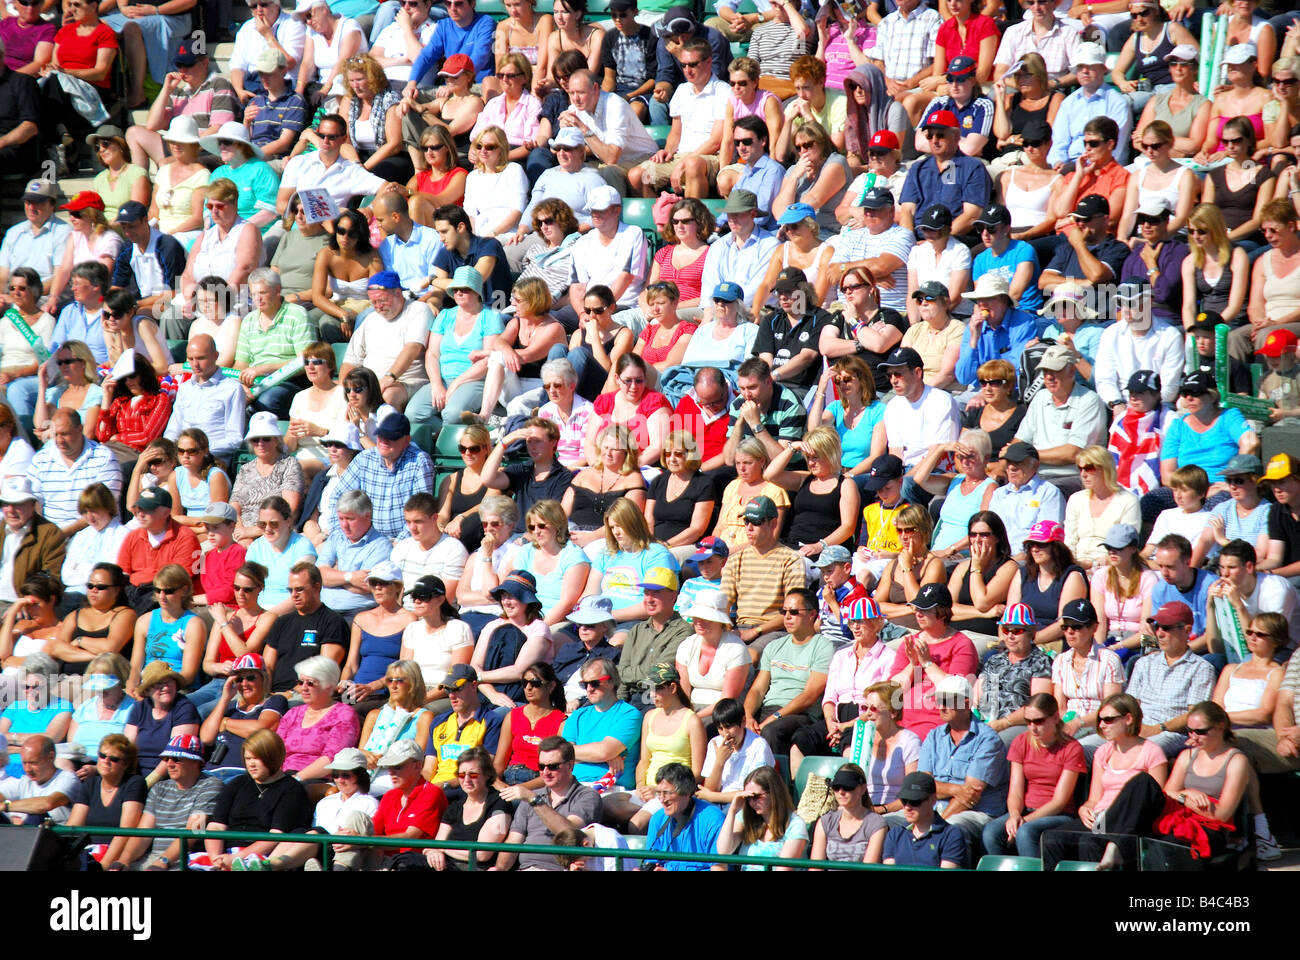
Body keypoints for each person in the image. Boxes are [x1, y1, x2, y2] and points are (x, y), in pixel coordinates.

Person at [203, 728, 312, 870]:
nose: (251, 764)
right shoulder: (238, 783)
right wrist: (216, 859)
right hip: (225, 854)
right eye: (248, 759)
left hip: (263, 856)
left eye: (256, 758)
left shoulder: (291, 789)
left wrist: (236, 859)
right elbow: (216, 825)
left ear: (272, 757)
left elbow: (276, 836)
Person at [742, 587, 832, 755]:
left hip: (798, 714)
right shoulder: (774, 646)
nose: (787, 617)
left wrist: (774, 717)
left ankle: (773, 781)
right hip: (768, 710)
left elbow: (809, 696)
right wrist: (747, 716)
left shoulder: (823, 646)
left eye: (794, 611)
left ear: (812, 614)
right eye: (784, 612)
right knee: (731, 726)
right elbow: (758, 689)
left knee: (772, 731)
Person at [118, 734, 223, 871]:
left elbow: (194, 832)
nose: (169, 764)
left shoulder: (211, 785)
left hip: (189, 860)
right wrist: (123, 861)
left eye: (176, 759)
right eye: (166, 759)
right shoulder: (159, 788)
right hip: (155, 860)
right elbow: (143, 834)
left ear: (197, 762)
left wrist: (163, 862)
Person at [497, 736, 603, 871]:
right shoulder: (532, 797)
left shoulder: (587, 796)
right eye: (541, 766)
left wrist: (534, 800)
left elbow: (569, 833)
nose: (545, 772)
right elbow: (513, 842)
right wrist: (499, 868)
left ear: (570, 766)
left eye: (552, 767)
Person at [898, 108, 990, 238]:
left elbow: (972, 215)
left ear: (956, 136)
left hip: (955, 239)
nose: (934, 140)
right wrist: (907, 242)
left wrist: (936, 240)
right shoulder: (917, 168)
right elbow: (907, 211)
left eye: (940, 135)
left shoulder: (973, 168)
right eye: (930, 136)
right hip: (918, 240)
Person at [262, 563, 348, 694]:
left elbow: (324, 670)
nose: (294, 595)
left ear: (317, 587)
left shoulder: (333, 621)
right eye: (290, 590)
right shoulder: (281, 622)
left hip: (306, 696)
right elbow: (267, 667)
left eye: (299, 589)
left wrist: (289, 694)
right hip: (274, 695)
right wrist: (264, 697)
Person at [1206, 541, 1300, 661]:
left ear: (1249, 567)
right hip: (1247, 652)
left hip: (1285, 651)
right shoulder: (1224, 591)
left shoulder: (1276, 590)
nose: (1224, 574)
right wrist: (1210, 607)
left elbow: (1265, 644)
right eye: (1222, 567)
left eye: (1232, 567)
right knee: (1212, 660)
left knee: (1248, 660)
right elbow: (1215, 649)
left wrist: (1239, 606)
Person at [1231, 200, 1300, 363]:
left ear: (1291, 227)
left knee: (1268, 336)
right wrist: (1259, 323)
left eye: (1273, 230)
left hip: (1294, 322)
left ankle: (1268, 385)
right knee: (1235, 338)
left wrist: (1276, 323)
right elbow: (1255, 304)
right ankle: (1235, 388)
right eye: (1264, 230)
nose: (1268, 235)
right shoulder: (1262, 261)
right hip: (1268, 323)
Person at [976, 605, 1055, 747]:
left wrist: (1003, 723)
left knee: (991, 744)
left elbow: (1038, 705)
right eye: (1006, 630)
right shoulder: (995, 660)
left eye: (1017, 630)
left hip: (1019, 725)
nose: (1010, 636)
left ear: (1031, 633)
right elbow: (977, 696)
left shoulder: (1041, 662)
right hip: (987, 722)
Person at [163, 335, 246, 460]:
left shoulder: (232, 388)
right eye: (190, 359)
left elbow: (235, 438)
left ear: (216, 356)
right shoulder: (185, 388)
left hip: (212, 459)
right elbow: (173, 429)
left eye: (201, 358)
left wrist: (200, 451)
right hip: (182, 457)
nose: (195, 364)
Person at [716, 764, 807, 868]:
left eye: (756, 797)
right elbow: (722, 852)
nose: (752, 802)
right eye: (748, 798)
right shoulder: (746, 817)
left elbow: (784, 868)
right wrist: (732, 811)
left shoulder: (795, 824)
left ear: (773, 793)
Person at [881, 771, 968, 868]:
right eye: (904, 801)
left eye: (915, 801)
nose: (907, 807)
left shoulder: (951, 835)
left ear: (933, 800)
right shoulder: (894, 834)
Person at [1, 735, 78, 826]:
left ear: (50, 757)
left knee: (36, 816)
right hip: (34, 835)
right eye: (24, 763)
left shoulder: (68, 778)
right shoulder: (25, 781)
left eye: (33, 763)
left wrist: (5, 806)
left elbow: (47, 804)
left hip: (60, 837)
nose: (27, 769)